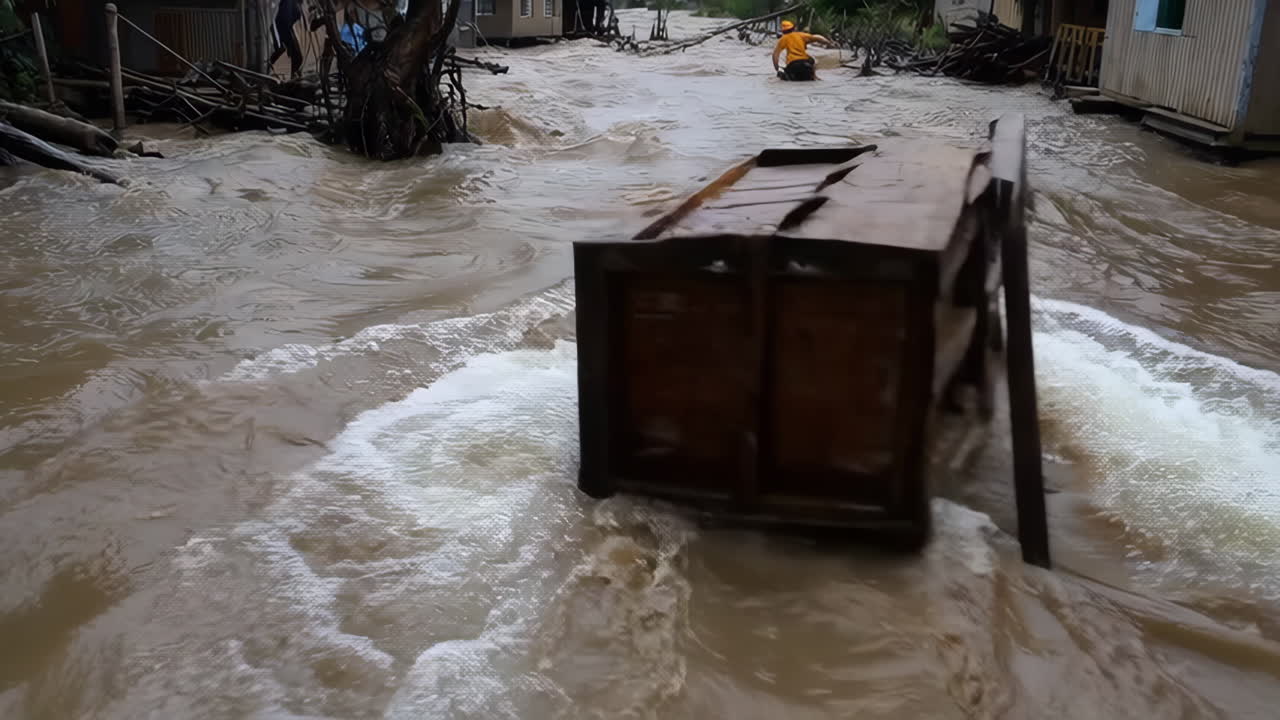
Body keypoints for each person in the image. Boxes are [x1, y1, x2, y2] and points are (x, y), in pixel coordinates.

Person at [269, 0, 305, 80]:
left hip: (285, 26)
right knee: (294, 55)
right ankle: (265, 68)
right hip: (281, 25)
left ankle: (294, 80)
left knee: (297, 57)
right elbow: (285, 19)